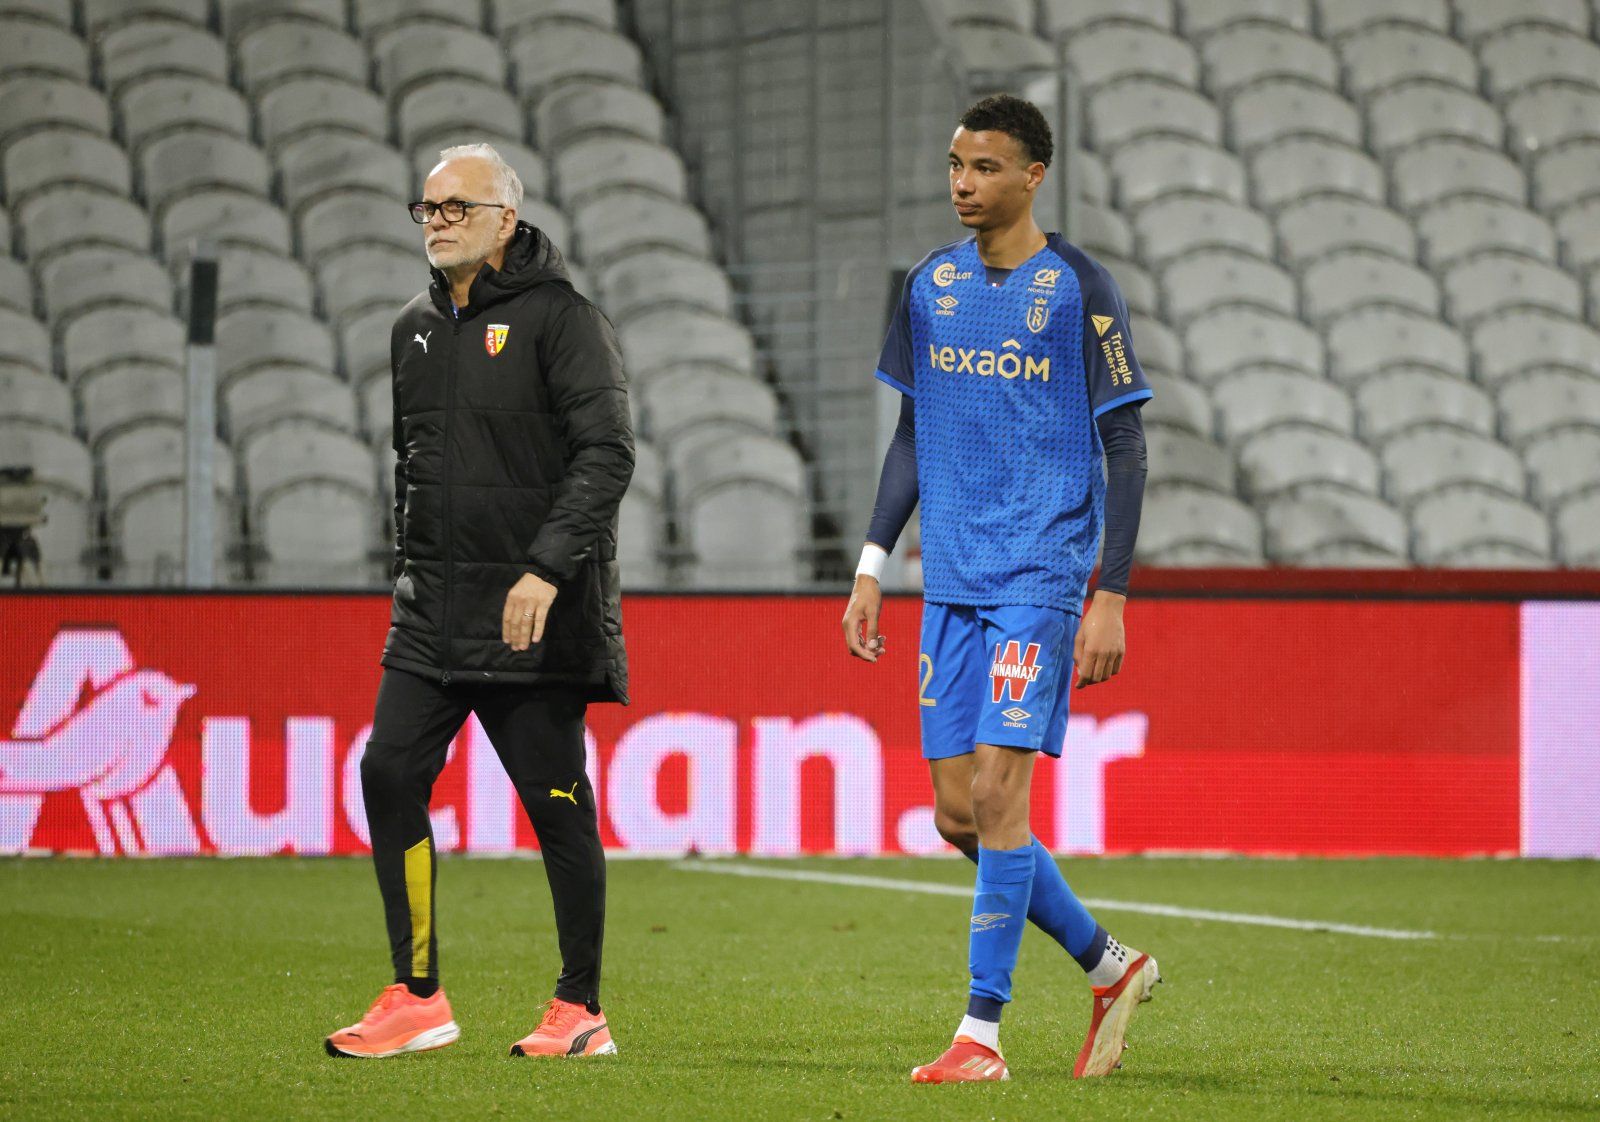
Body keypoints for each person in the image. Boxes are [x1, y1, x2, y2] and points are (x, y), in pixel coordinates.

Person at [841, 95, 1160, 1083]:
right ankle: (1109, 965)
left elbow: (1126, 442)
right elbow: (911, 436)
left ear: (1031, 177)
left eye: (981, 167)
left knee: (996, 791)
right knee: (953, 815)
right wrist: (870, 563)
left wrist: (1108, 591)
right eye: (953, 165)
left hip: (1041, 571)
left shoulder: (1076, 288)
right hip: (953, 578)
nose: (960, 183)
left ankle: (980, 1034)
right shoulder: (930, 286)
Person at [325, 144, 634, 1060]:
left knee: (556, 808)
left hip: (529, 612)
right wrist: (410, 572)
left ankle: (581, 1007)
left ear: (507, 219)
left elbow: (607, 453)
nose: (439, 221)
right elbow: (410, 469)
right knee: (388, 776)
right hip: (432, 613)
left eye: (457, 206)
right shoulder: (411, 327)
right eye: (427, 209)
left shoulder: (564, 320)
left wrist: (543, 570)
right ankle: (417, 993)